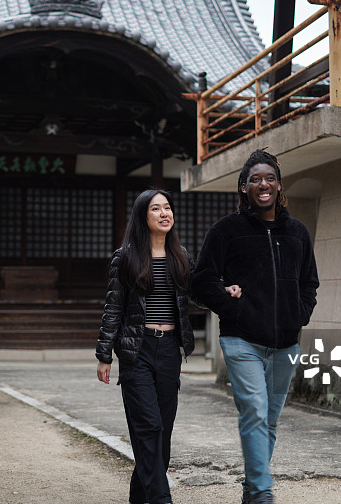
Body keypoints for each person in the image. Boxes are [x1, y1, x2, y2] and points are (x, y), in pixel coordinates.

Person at [191, 149, 319, 504]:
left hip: (285, 344)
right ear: (244, 188)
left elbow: (309, 282)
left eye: (269, 178)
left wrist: (299, 314)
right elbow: (201, 281)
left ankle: (251, 487)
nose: (263, 184)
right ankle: (263, 492)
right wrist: (230, 304)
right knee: (255, 411)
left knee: (271, 421)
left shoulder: (297, 233)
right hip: (241, 340)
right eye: (255, 179)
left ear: (279, 185)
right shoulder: (226, 231)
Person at [95, 188, 195, 504]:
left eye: (168, 207)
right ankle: (162, 500)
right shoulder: (125, 258)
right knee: (149, 427)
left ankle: (140, 498)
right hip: (137, 351)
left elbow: (197, 296)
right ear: (143, 216)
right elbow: (114, 307)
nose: (165, 213)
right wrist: (104, 353)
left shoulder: (182, 257)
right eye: (156, 209)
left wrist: (227, 290)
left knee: (160, 434)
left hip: (170, 352)